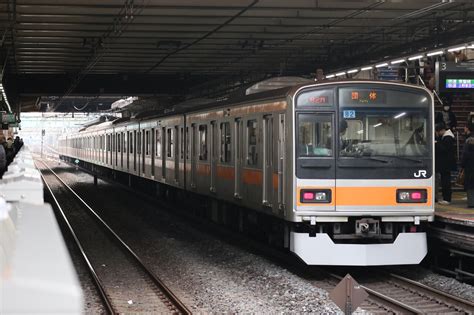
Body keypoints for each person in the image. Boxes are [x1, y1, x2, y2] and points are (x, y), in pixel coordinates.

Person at [435, 122, 457, 204]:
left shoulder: (448, 138)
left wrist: (437, 143)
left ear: (442, 130)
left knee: (446, 181)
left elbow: (444, 149)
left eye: (438, 131)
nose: (438, 133)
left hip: (446, 164)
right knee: (445, 180)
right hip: (446, 163)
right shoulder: (446, 137)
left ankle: (447, 198)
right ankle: (446, 198)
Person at [461, 124, 474, 207]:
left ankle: (471, 203)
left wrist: (462, 167)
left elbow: (463, 160)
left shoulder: (467, 152)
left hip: (469, 170)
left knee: (470, 187)